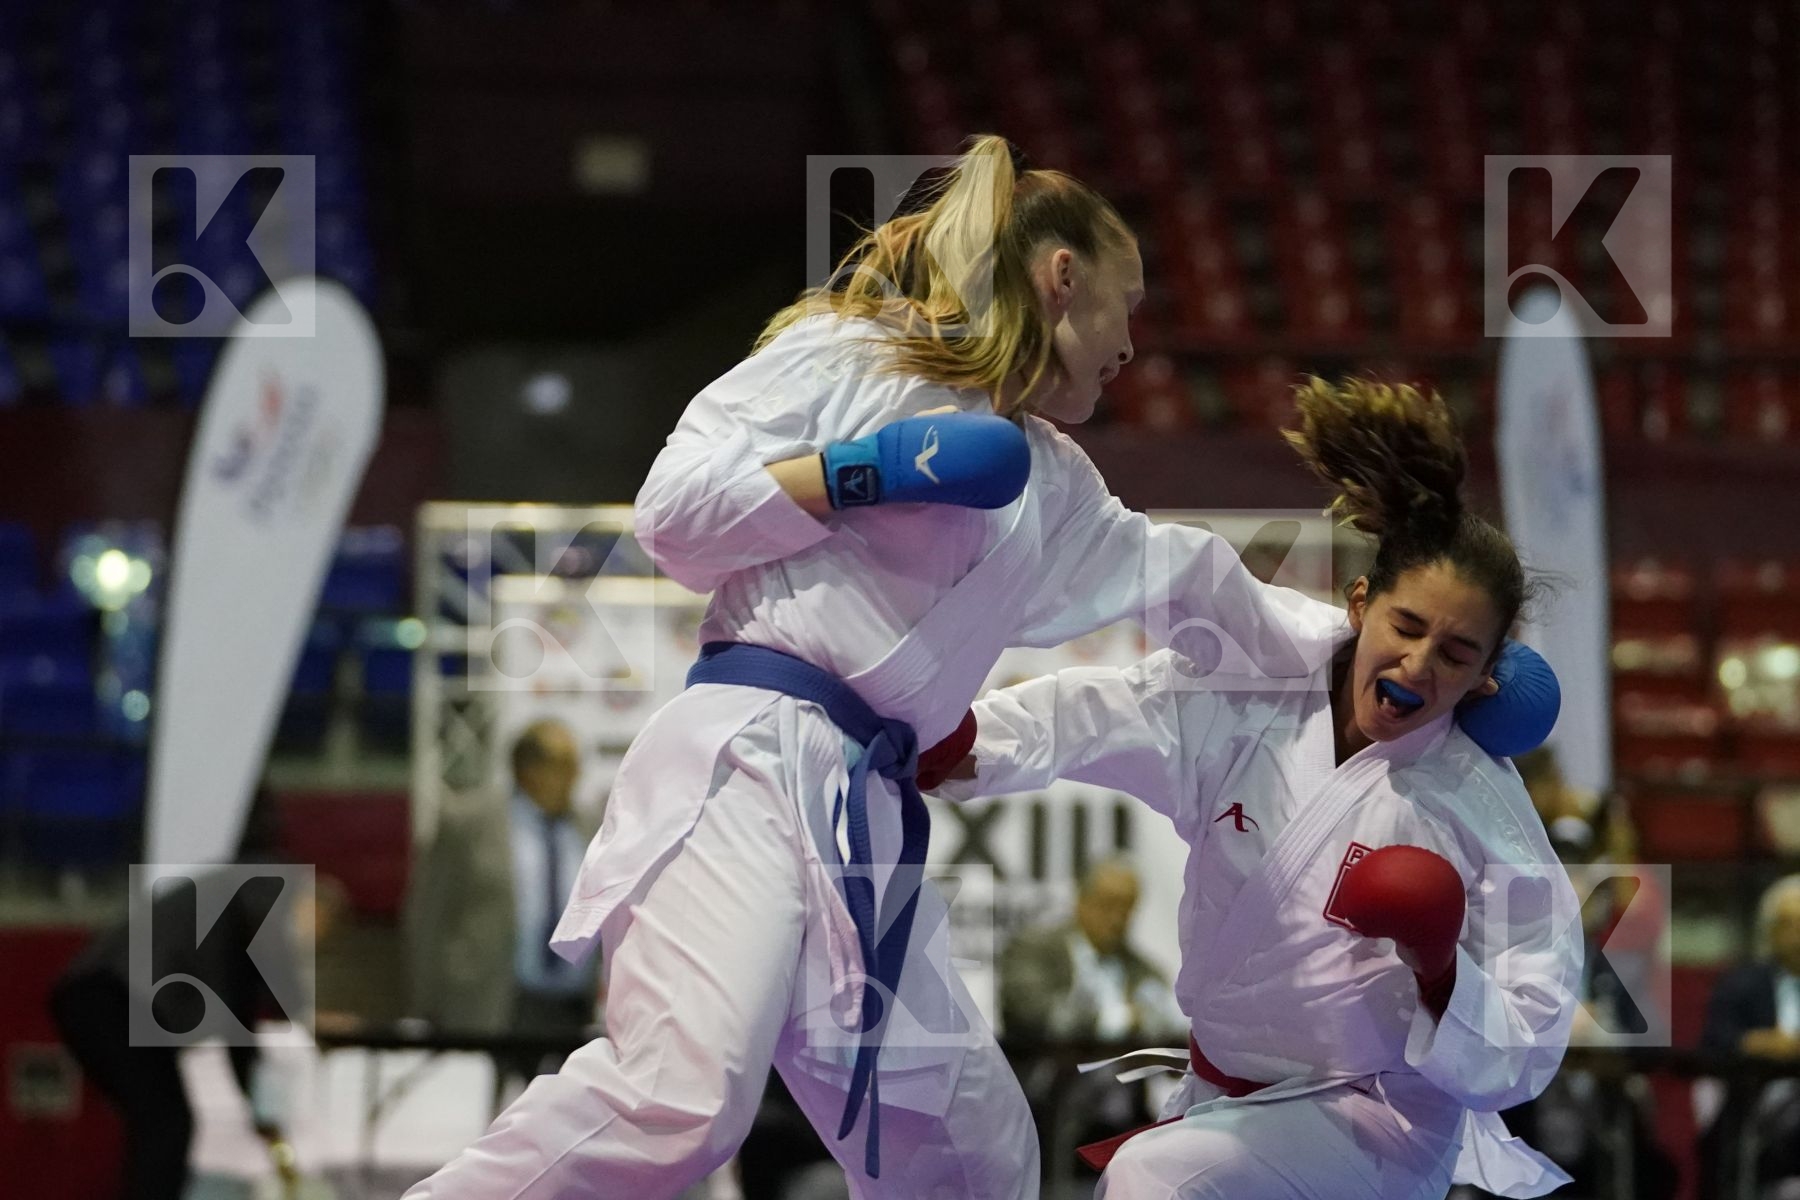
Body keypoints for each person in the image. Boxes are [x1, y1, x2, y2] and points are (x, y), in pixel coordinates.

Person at [403, 140, 1549, 1200]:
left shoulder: (1056, 485)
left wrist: (1412, 681)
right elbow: (672, 521)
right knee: (681, 1100)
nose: (1133, 343)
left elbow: (1200, 589)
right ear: (1062, 277)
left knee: (973, 1145)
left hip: (869, 808)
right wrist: (857, 473)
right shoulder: (852, 354)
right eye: (1127, 303)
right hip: (750, 754)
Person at [938, 378, 1585, 1199]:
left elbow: (1530, 1042)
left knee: (1150, 1184)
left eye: (1457, 655)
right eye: (1408, 627)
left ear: (1490, 677)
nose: (1420, 665)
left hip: (1376, 1121)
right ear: (1361, 604)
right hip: (1221, 1096)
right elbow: (1105, 714)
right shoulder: (1253, 692)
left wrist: (1439, 970)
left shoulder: (1479, 810)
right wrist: (961, 742)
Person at [48, 860, 344, 1200]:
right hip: (112, 994)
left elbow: (239, 1029)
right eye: (313, 932)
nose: (303, 944)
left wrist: (259, 1110)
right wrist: (304, 1013)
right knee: (166, 1123)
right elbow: (269, 951)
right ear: (312, 903)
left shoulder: (236, 938)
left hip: (104, 996)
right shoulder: (270, 888)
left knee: (160, 1121)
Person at [408, 718, 602, 1095]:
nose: (574, 777)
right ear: (526, 771)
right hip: (493, 1001)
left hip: (570, 1007)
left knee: (565, 1123)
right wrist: (425, 1001)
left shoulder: (591, 827)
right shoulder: (469, 823)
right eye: (562, 767)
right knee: (480, 1122)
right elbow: (428, 916)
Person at [1001, 856, 1183, 1045]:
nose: (1117, 918)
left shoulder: (1144, 971)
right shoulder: (1031, 950)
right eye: (1108, 904)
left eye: (1127, 907)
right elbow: (1035, 1015)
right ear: (1081, 901)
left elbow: (1169, 1022)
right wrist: (1120, 1019)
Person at [1699, 874, 1800, 1194]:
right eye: (1790, 924)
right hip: (1758, 1100)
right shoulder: (1742, 984)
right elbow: (1714, 1041)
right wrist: (1751, 1043)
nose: (1799, 934)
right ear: (1770, 931)